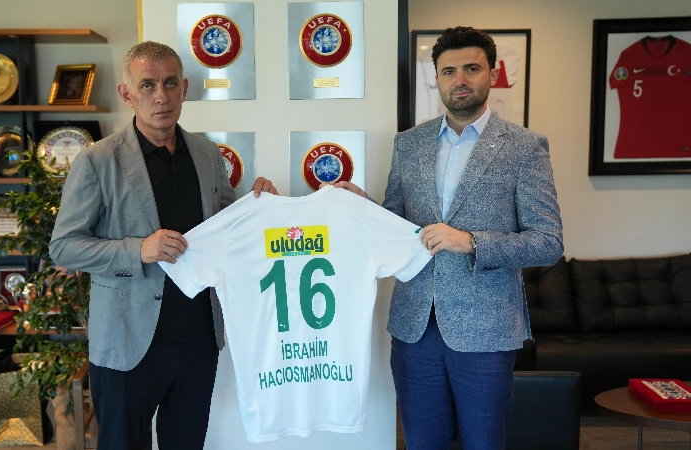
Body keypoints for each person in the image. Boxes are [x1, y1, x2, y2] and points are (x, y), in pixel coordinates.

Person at [333, 27, 563, 449]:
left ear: (493, 74)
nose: (460, 80)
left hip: (485, 330)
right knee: (422, 442)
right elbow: (396, 224)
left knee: (484, 442)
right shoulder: (409, 144)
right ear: (436, 79)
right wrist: (361, 205)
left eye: (472, 69)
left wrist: (471, 241)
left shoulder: (524, 148)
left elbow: (547, 241)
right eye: (449, 71)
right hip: (414, 326)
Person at [49, 41, 277, 450]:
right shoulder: (98, 160)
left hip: (198, 338)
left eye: (170, 83)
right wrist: (137, 250)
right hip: (126, 340)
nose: (161, 96)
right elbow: (64, 247)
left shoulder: (207, 154)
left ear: (184, 89)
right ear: (127, 94)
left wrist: (260, 208)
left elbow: (227, 228)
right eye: (148, 85)